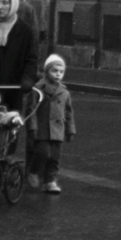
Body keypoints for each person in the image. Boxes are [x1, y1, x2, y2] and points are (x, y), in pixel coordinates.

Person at [29, 55, 76, 194]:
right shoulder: (38, 89)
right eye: (54, 71)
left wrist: (70, 130)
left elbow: (68, 112)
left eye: (61, 72)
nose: (58, 74)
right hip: (42, 128)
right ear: (46, 71)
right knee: (43, 153)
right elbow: (30, 109)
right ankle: (33, 170)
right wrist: (32, 127)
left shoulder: (64, 92)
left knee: (54, 158)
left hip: (58, 129)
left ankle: (50, 181)